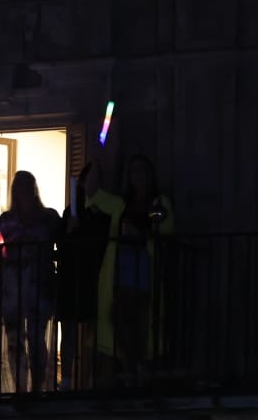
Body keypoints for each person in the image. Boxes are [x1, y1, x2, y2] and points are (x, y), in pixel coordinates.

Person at [89, 154, 175, 378]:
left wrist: (142, 235)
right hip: (121, 270)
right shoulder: (121, 204)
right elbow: (93, 193)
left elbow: (167, 232)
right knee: (121, 320)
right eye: (134, 172)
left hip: (145, 269)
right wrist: (96, 163)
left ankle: (137, 371)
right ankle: (132, 369)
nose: (138, 176)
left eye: (142, 171)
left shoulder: (159, 203)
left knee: (142, 321)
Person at [0, 170, 63, 393]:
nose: (23, 192)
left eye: (27, 187)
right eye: (19, 187)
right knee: (14, 339)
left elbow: (63, 241)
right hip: (12, 284)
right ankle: (20, 388)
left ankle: (37, 386)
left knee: (36, 337)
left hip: (39, 282)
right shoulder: (6, 220)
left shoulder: (49, 217)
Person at [58, 159, 112, 390]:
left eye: (99, 178)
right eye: (92, 178)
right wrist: (68, 230)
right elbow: (61, 242)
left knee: (92, 329)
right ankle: (67, 378)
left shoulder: (103, 208)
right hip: (71, 272)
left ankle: (92, 377)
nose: (95, 183)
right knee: (68, 328)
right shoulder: (72, 209)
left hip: (92, 272)